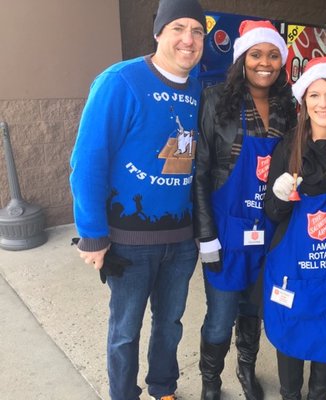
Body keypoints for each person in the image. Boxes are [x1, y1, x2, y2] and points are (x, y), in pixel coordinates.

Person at [69, 0, 206, 399]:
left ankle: (163, 388)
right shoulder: (120, 81)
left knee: (170, 323)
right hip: (129, 239)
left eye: (197, 31)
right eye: (178, 28)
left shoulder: (198, 87)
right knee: (125, 330)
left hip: (180, 240)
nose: (188, 39)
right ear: (158, 32)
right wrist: (92, 233)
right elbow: (88, 160)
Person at [193, 20, 296, 400]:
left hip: (268, 228)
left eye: (273, 55)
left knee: (252, 313)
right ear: (242, 59)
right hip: (223, 228)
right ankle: (210, 381)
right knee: (220, 320)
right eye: (256, 54)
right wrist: (205, 236)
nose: (264, 63)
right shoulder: (216, 99)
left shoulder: (288, 107)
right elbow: (201, 171)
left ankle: (246, 370)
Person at [262, 55, 326, 400]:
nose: (323, 103)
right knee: (290, 332)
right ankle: (290, 394)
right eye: (314, 95)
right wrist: (280, 196)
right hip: (290, 264)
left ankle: (319, 395)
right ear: (303, 101)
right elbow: (272, 214)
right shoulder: (287, 146)